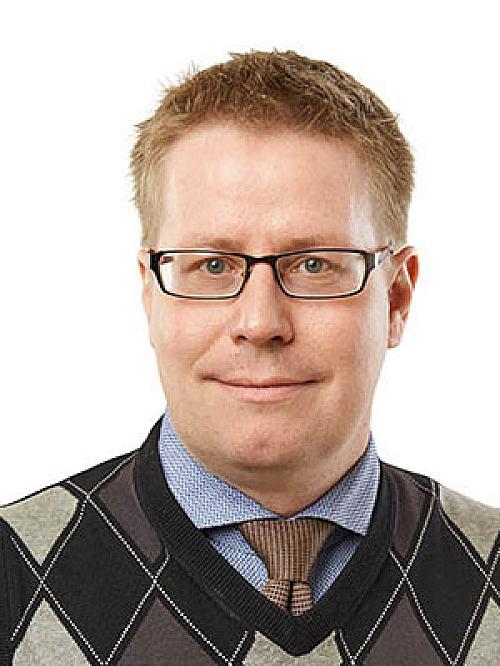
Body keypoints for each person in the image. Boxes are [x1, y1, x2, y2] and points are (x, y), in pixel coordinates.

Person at [1, 49, 499, 665]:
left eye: (314, 264)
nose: (260, 323)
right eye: (212, 265)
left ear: (396, 297)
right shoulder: (11, 573)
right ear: (150, 295)